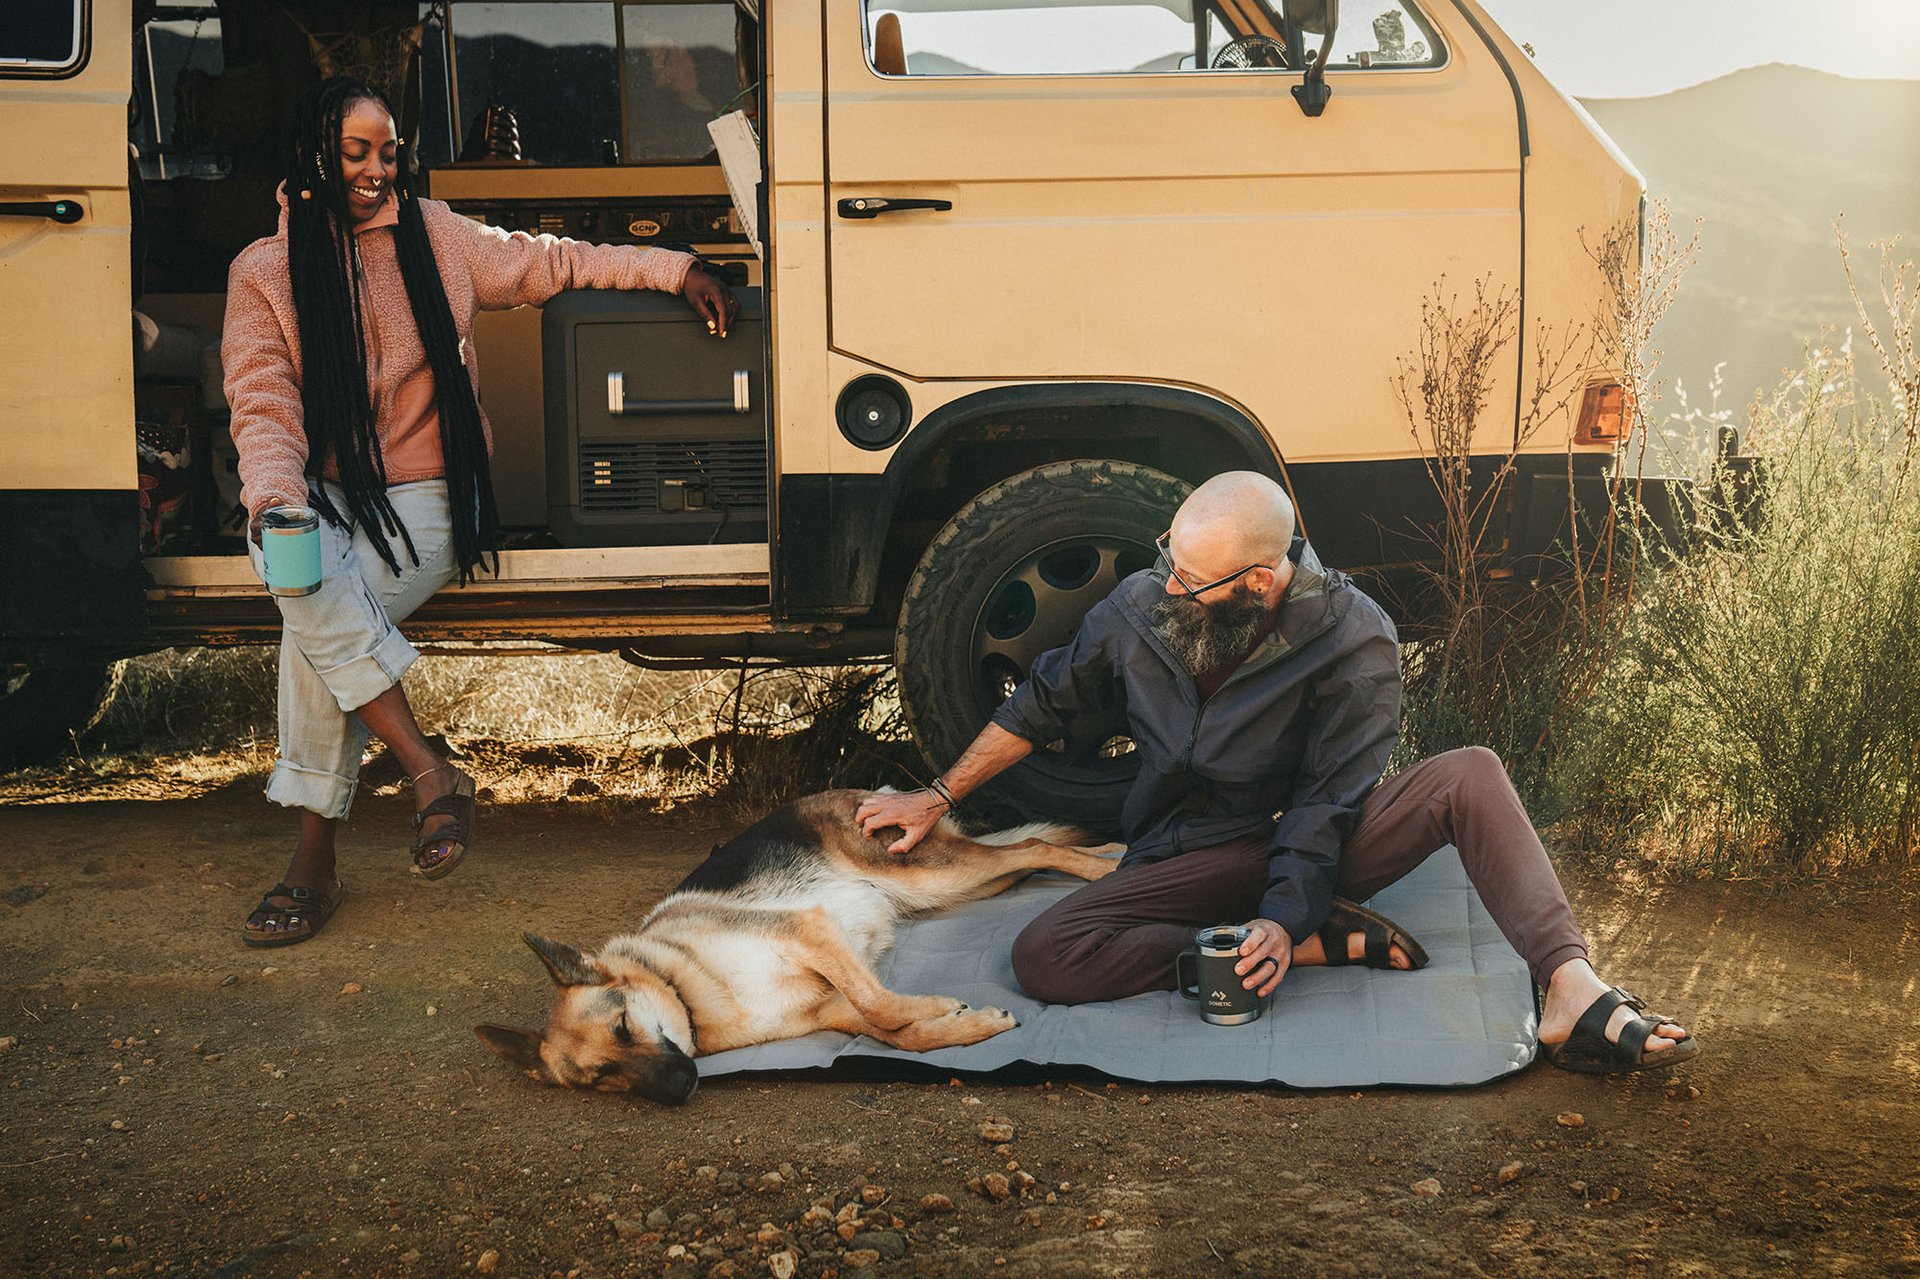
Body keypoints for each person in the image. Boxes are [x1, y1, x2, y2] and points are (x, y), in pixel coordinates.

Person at [857, 472, 1699, 1074]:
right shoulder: (1151, 597)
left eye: (1191, 578)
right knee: (1044, 953)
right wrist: (936, 797)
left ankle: (1571, 983)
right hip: (1187, 857)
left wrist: (1283, 909)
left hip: (1311, 846)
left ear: (1257, 582)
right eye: (1169, 560)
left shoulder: (1353, 637)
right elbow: (1043, 700)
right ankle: (1304, 949)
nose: (1167, 584)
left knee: (1470, 773)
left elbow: (1327, 803)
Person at [223, 76, 737, 947]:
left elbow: (554, 259)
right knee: (302, 569)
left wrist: (676, 267)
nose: (377, 170)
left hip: (431, 491)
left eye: (388, 152)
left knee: (310, 613)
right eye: (356, 153)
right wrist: (278, 505)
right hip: (324, 492)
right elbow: (263, 405)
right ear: (315, 153)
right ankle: (427, 769)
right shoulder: (264, 273)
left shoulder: (438, 237)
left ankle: (318, 859)